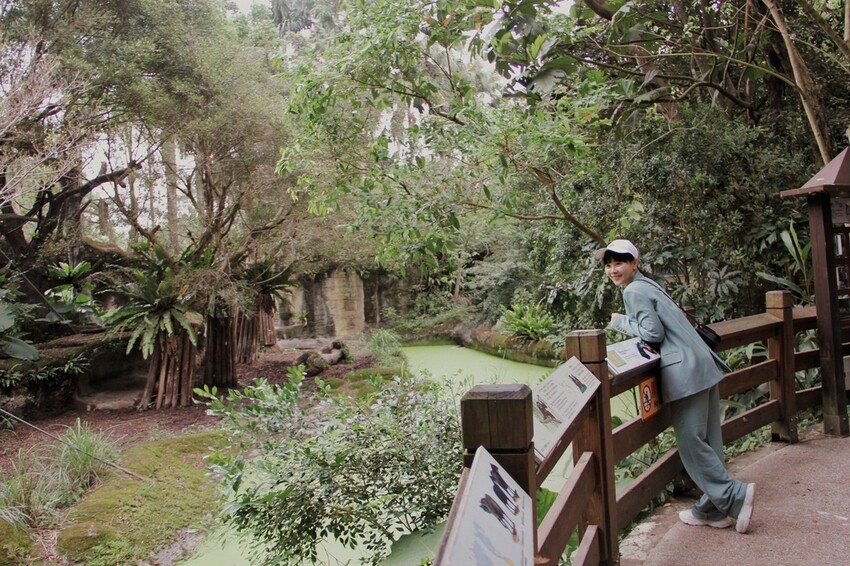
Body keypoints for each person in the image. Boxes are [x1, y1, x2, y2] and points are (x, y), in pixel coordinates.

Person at [596, 238, 756, 533]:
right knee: (709, 440)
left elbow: (652, 333)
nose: (612, 270)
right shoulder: (650, 285)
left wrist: (620, 322)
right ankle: (712, 510)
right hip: (701, 364)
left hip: (685, 372)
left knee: (692, 443)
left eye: (619, 263)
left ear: (634, 264)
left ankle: (735, 495)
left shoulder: (633, 291)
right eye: (608, 265)